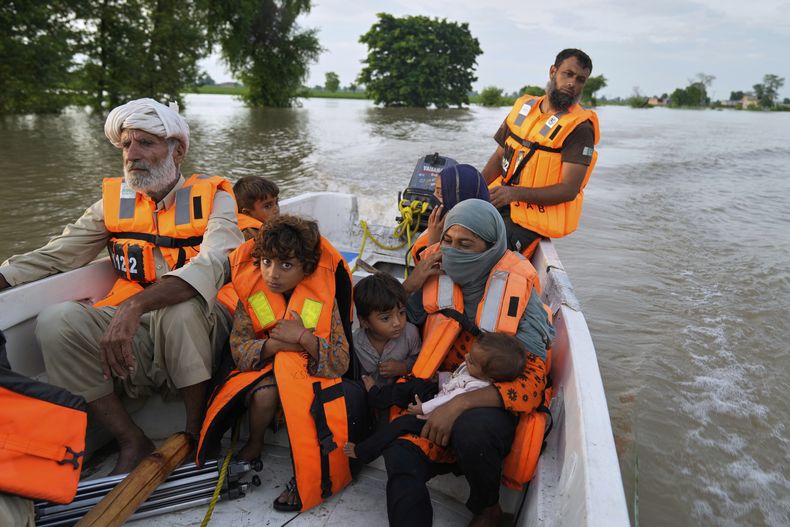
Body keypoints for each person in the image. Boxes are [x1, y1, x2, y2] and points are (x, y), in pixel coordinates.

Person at [0, 98, 244, 475]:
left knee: (180, 310)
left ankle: (196, 432)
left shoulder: (216, 197)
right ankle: (130, 438)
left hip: (205, 325)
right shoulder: (114, 203)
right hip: (138, 326)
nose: (132, 154)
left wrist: (135, 307)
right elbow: (59, 253)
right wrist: (4, 276)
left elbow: (214, 264)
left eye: (146, 143)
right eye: (127, 145)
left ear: (177, 151)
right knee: (56, 321)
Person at [383, 198, 554, 527]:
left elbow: (532, 382)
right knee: (399, 450)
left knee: (472, 431)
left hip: (489, 405)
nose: (452, 251)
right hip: (438, 390)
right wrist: (412, 284)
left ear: (491, 247)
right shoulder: (433, 274)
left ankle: (488, 508)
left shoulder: (518, 290)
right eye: (447, 241)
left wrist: (460, 404)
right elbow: (388, 324)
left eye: (466, 244)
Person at [198, 214, 359, 513]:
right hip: (266, 370)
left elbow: (340, 360)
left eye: (286, 265)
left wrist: (304, 338)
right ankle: (256, 441)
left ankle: (306, 474)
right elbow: (240, 350)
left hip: (310, 377)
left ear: (307, 268)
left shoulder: (324, 300)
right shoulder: (253, 296)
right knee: (264, 394)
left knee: (309, 405)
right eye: (266, 262)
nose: (273, 274)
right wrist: (277, 344)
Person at [481, 48, 600, 256]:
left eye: (581, 79)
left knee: (480, 247)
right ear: (553, 71)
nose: (573, 84)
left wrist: (514, 194)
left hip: (530, 220)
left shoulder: (580, 128)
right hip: (499, 201)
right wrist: (475, 189)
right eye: (568, 74)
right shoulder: (523, 107)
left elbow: (569, 189)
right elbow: (500, 156)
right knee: (450, 225)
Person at [344, 332, 526, 464]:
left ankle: (362, 451)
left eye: (471, 360)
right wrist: (438, 378)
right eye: (470, 353)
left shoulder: (477, 387)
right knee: (414, 385)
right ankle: (379, 397)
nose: (466, 356)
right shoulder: (475, 369)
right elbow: (456, 378)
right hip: (439, 396)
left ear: (490, 378)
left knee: (402, 424)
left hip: (436, 417)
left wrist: (421, 409)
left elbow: (450, 400)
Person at [352, 272, 420, 387]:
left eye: (402, 313)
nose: (397, 323)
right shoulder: (354, 344)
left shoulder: (410, 333)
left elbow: (419, 360)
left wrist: (403, 367)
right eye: (386, 318)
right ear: (364, 321)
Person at [411, 163, 490, 262]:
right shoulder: (436, 227)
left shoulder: (475, 241)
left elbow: (431, 273)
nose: (433, 197)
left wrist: (433, 243)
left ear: (459, 199)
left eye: (440, 193)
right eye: (434, 190)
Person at [232, 175, 280, 240]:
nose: (276, 209)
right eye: (268, 206)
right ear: (247, 213)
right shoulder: (253, 237)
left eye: (277, 202)